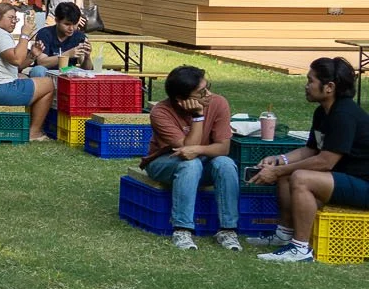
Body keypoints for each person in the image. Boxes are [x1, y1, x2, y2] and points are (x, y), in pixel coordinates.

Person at [249, 57, 369, 263]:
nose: (306, 86)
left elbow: (325, 162)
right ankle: (283, 235)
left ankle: (300, 249)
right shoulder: (323, 112)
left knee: (301, 178)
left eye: (311, 80)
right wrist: (279, 161)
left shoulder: (344, 114)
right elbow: (311, 150)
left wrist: (277, 171)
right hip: (343, 178)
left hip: (363, 185)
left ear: (329, 87)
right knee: (288, 172)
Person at [139, 65, 240, 252]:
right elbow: (185, 150)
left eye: (207, 87)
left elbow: (223, 148)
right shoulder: (160, 112)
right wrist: (198, 117)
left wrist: (199, 149)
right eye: (201, 93)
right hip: (165, 161)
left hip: (204, 160)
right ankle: (182, 229)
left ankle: (228, 229)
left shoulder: (219, 103)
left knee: (226, 164)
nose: (208, 94)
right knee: (190, 165)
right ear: (180, 99)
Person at [0, 0, 56, 140]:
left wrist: (33, 55)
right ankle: (34, 132)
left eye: (16, 18)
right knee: (48, 84)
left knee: (24, 78)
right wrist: (25, 35)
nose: (14, 22)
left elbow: (15, 66)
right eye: (11, 18)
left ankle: (22, 124)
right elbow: (16, 60)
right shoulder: (0, 34)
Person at [29, 1, 91, 71]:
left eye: (75, 24)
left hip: (68, 73)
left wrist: (87, 57)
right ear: (56, 20)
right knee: (38, 70)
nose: (71, 28)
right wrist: (67, 55)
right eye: (67, 24)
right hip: (46, 72)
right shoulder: (45, 34)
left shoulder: (79, 36)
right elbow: (41, 62)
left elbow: (87, 69)